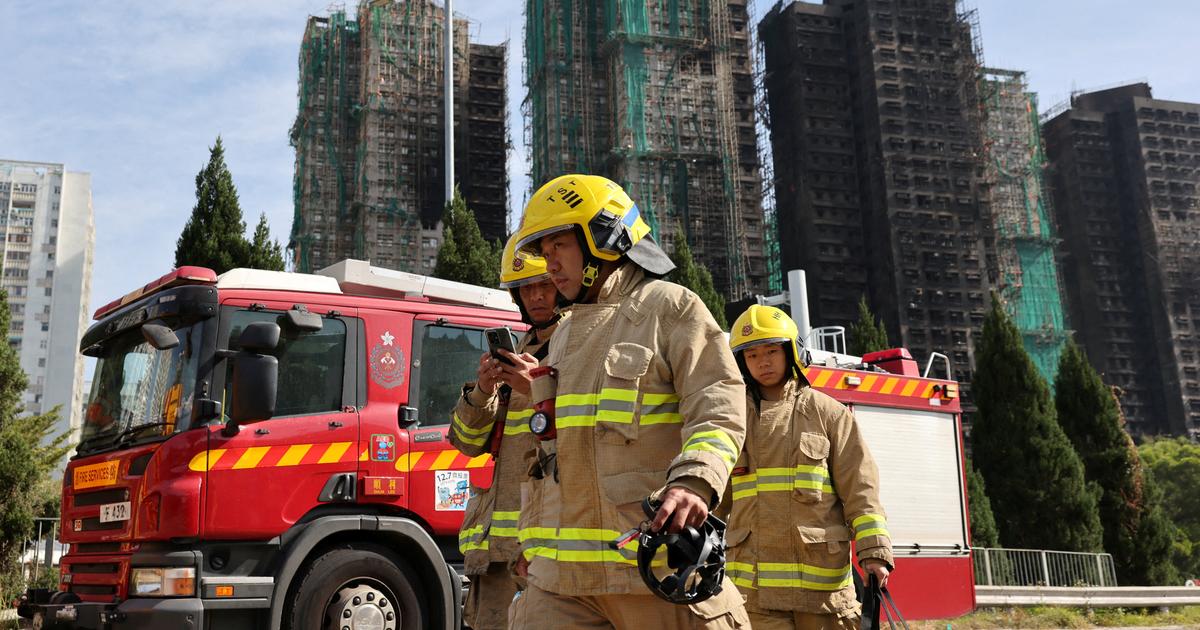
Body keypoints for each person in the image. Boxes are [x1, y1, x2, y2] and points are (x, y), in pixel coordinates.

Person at [508, 174, 749, 629]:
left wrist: (695, 480)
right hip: (561, 584)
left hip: (652, 568)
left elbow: (718, 403)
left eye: (558, 245)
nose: (548, 265)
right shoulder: (560, 339)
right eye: (543, 251)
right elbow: (545, 457)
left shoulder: (670, 308)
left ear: (603, 237)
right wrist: (532, 546)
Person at [725, 304, 893, 630]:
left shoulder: (829, 414)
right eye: (752, 355)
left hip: (820, 592)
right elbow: (712, 494)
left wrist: (874, 551)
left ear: (792, 352)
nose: (763, 361)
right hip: (753, 593)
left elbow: (861, 488)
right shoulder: (731, 420)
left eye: (772, 350)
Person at [450, 235, 563, 630]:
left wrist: (541, 389)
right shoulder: (519, 354)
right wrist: (483, 390)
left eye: (543, 285)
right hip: (500, 550)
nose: (535, 297)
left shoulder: (577, 348)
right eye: (525, 288)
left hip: (550, 546)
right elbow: (465, 442)